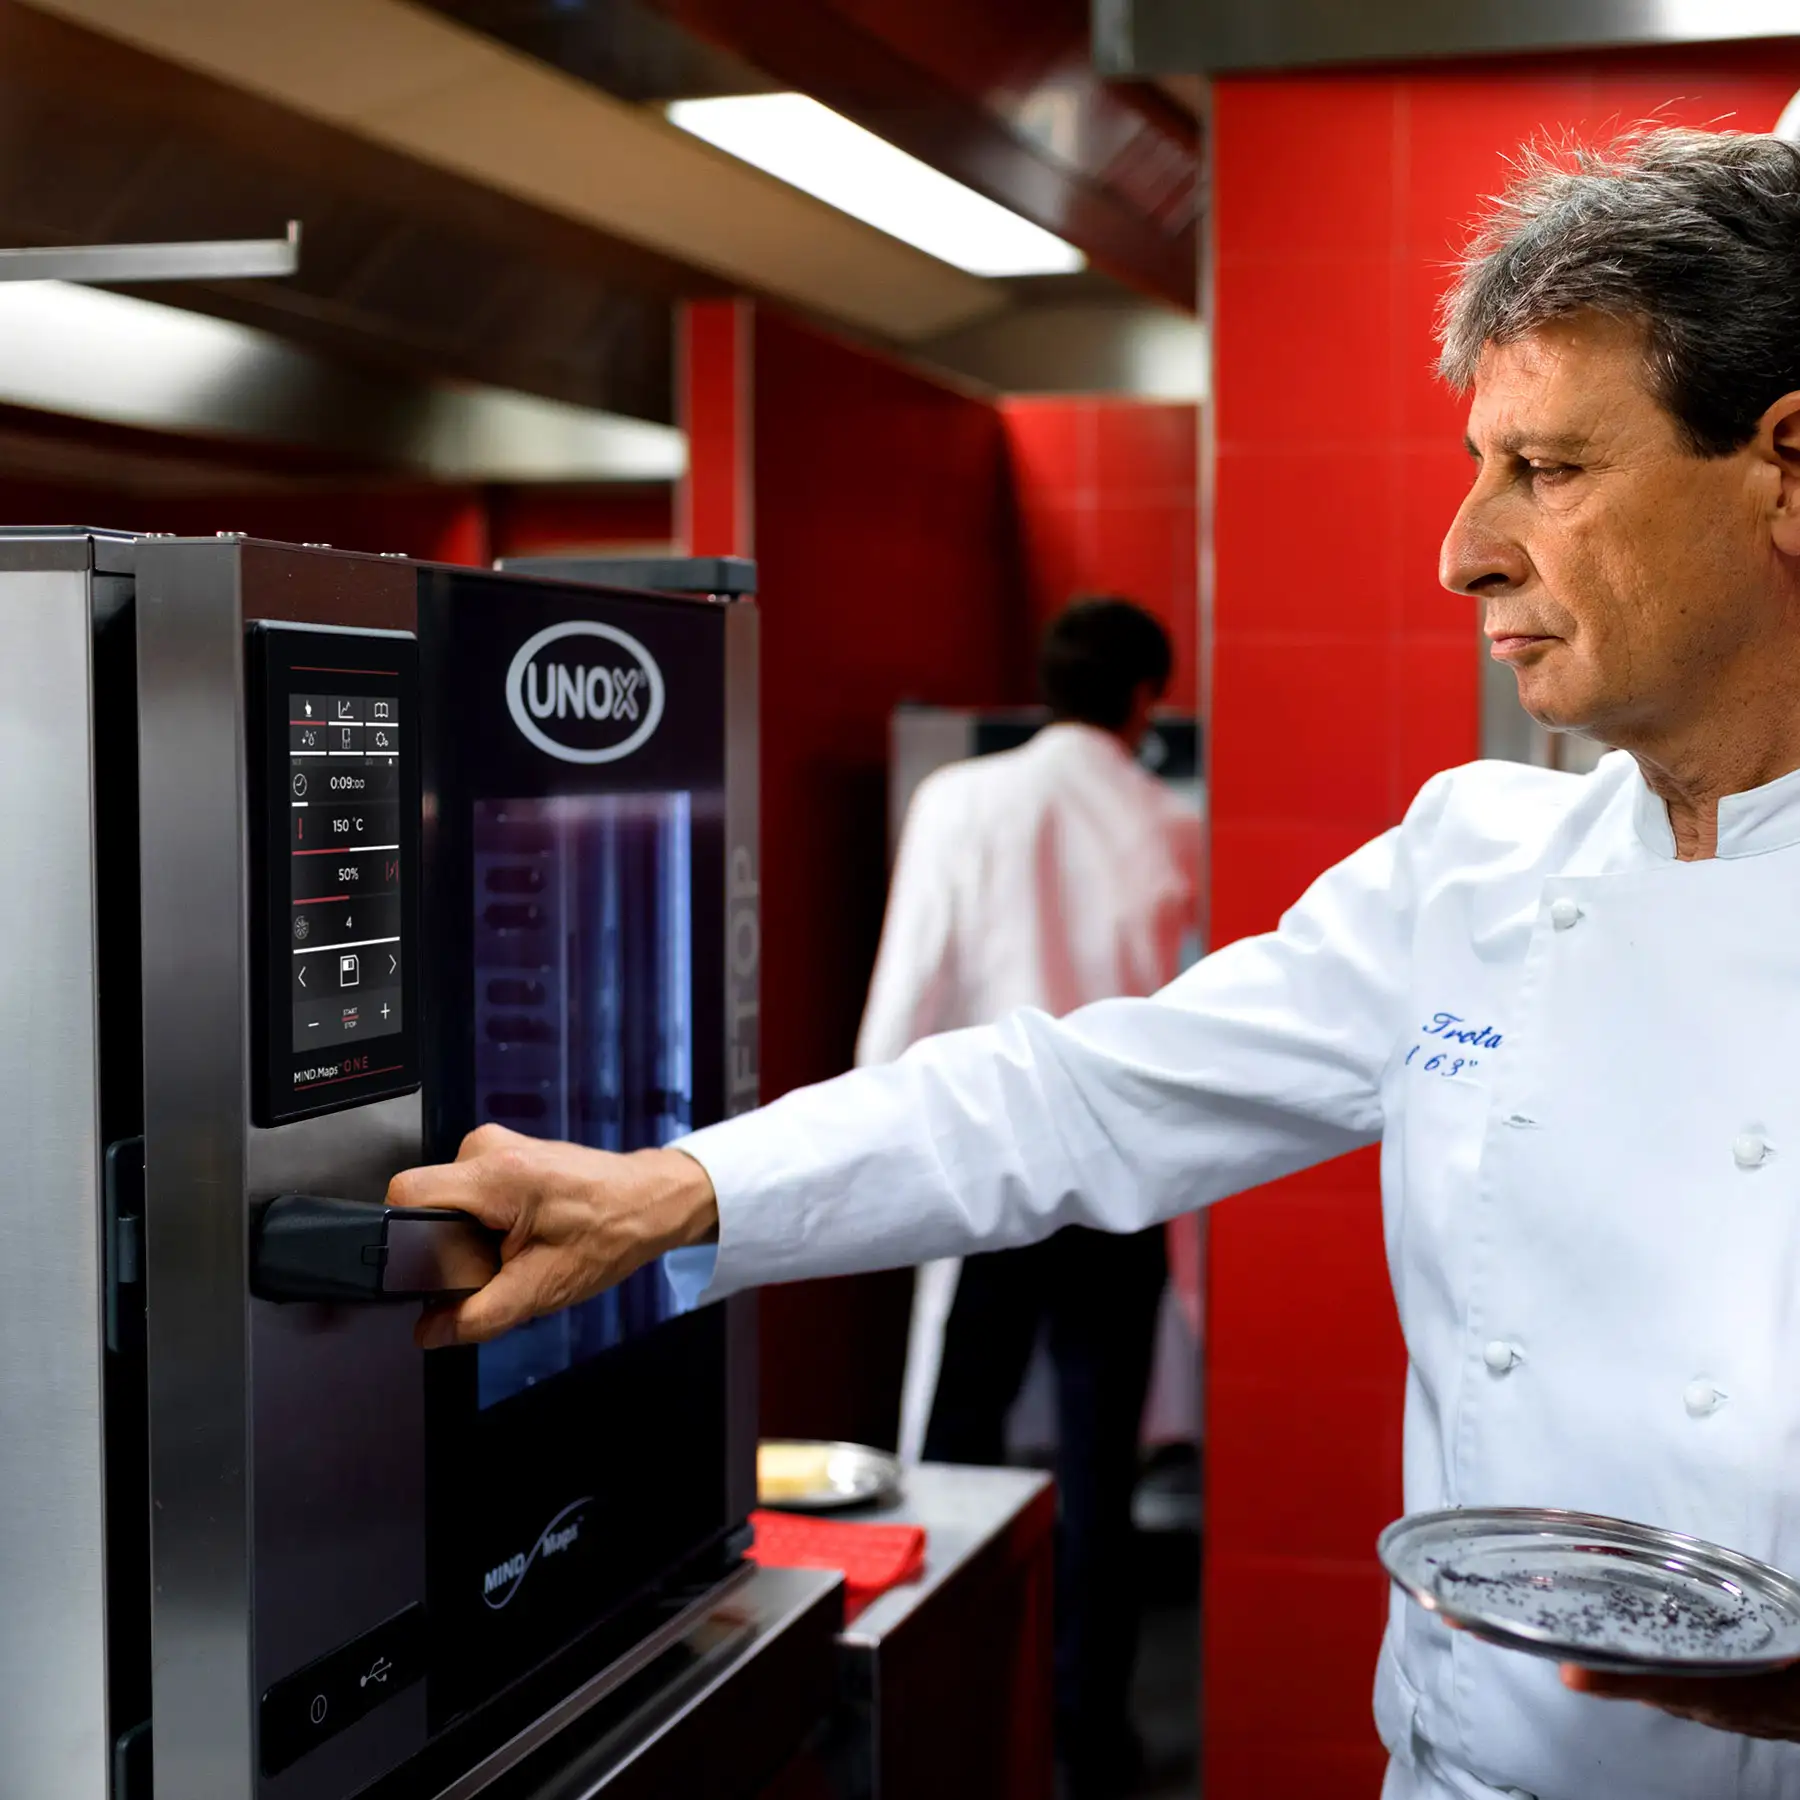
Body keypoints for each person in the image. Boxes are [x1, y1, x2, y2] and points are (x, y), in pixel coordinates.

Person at [393, 128, 1800, 1799]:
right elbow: (1075, 1097)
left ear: (1783, 467)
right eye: (1475, 464)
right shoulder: (1473, 868)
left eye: (1548, 469)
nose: (1464, 549)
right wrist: (675, 1192)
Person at [860, 598, 1201, 1796]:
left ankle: (927, 1715)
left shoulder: (961, 800)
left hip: (990, 1176)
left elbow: (908, 994)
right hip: (1119, 1185)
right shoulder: (1168, 819)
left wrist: (868, 1161)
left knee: (955, 1455)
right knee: (1100, 1474)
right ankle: (1090, 1741)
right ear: (1145, 699)